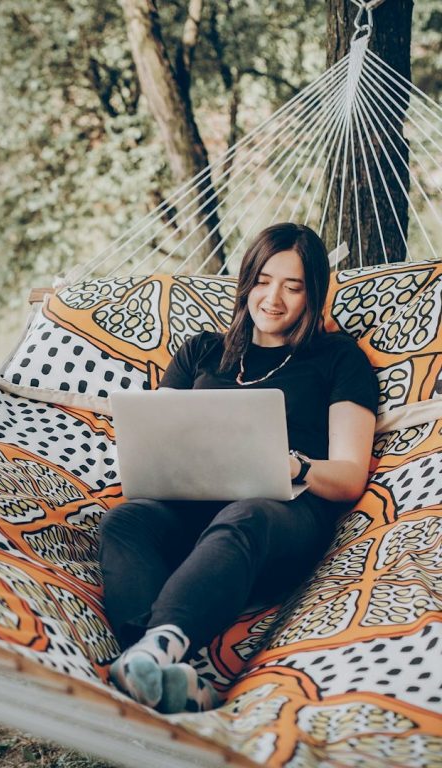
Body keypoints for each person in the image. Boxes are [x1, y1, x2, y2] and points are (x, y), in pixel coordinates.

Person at [98, 222, 379, 714]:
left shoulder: (338, 360)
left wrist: (293, 466)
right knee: (125, 521)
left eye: (293, 287)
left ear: (314, 294)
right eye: (263, 281)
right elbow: (158, 437)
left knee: (245, 514)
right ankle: (165, 672)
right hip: (192, 512)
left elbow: (351, 474)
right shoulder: (202, 352)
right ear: (247, 281)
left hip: (280, 519)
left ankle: (152, 654)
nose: (273, 299)